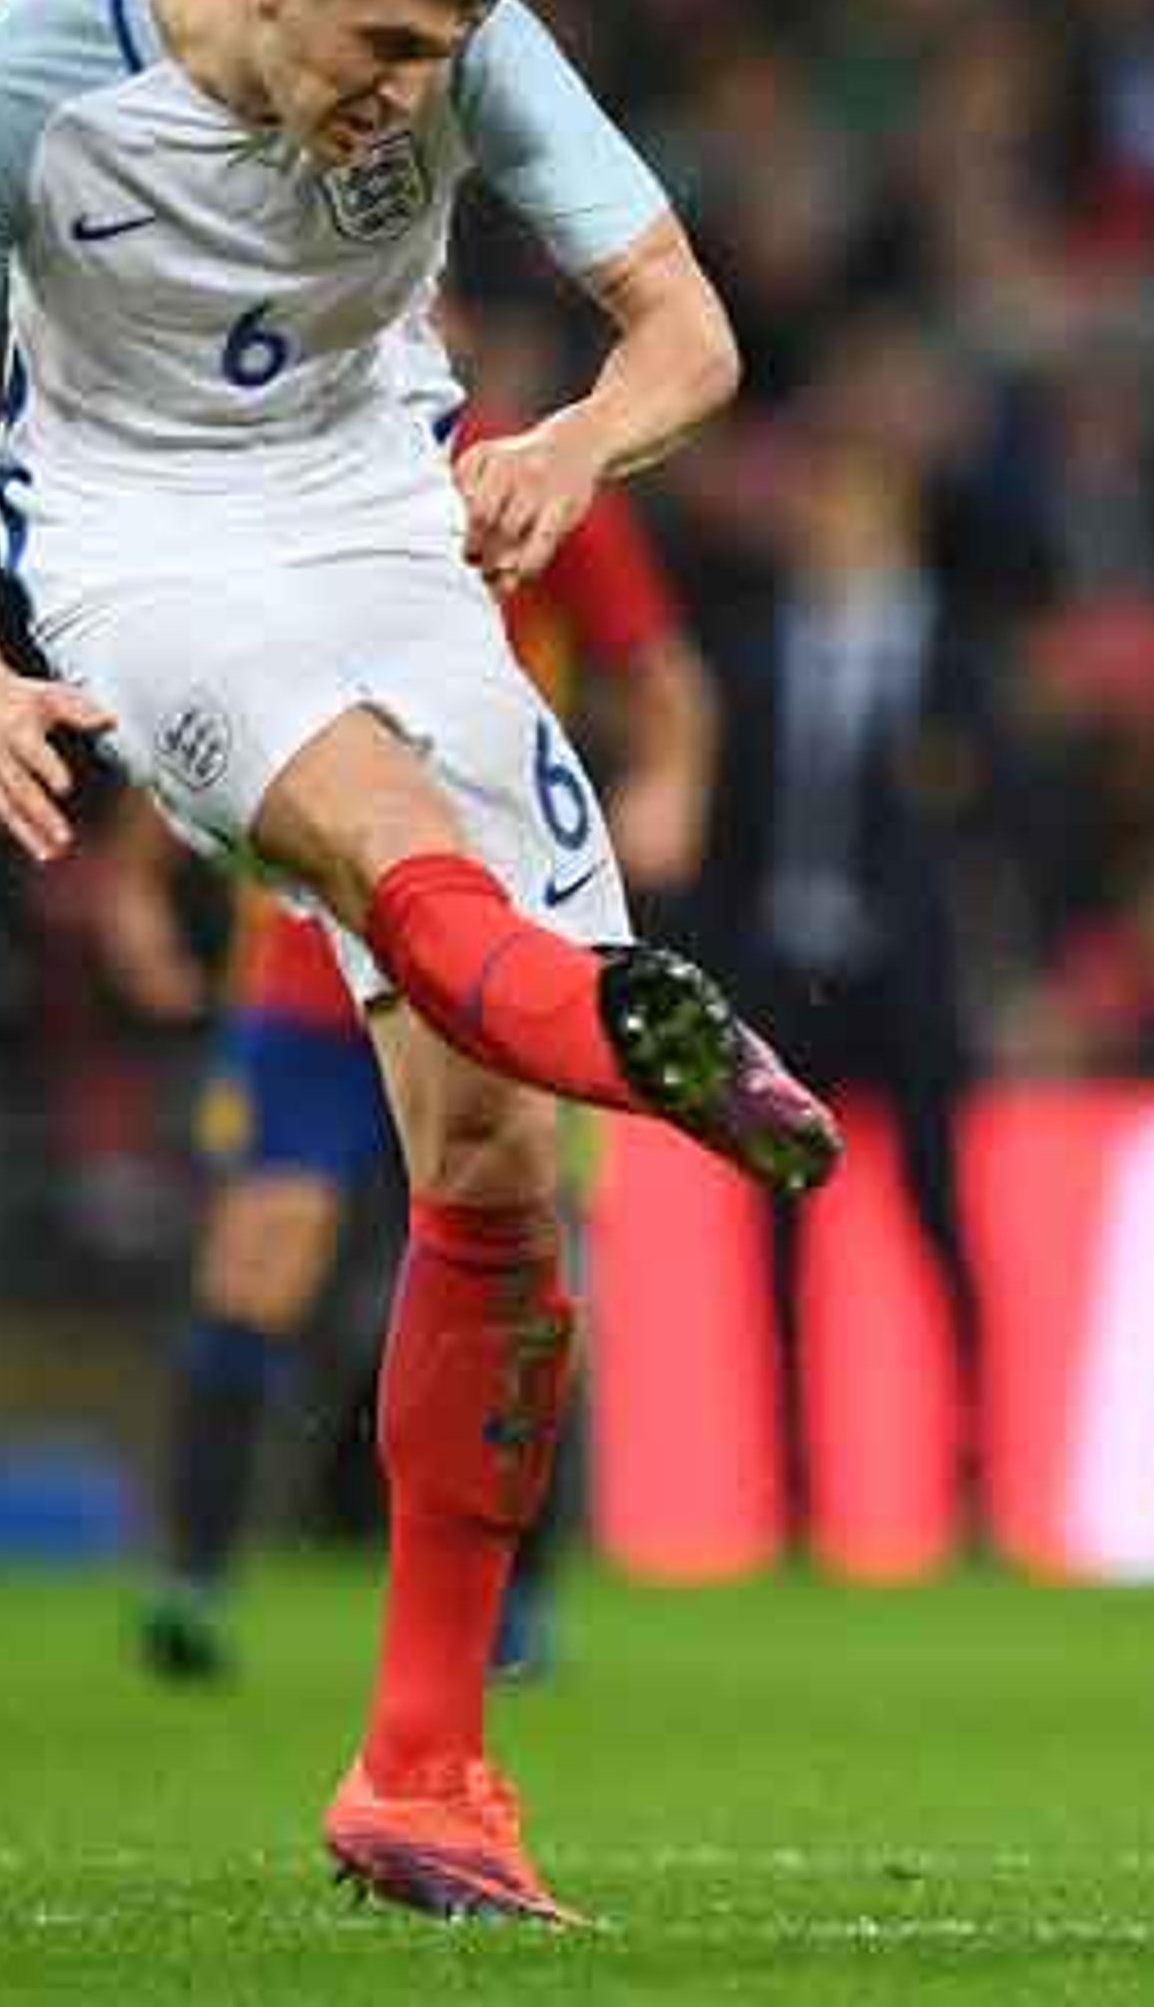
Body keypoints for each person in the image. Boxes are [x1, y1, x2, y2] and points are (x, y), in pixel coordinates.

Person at [0, 0, 839, 1926]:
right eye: (378, 48)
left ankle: (423, 1774)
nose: (407, 92)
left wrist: (572, 439)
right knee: (386, 829)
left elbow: (693, 332)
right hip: (139, 548)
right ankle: (637, 1034)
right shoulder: (23, 67)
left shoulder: (475, 47)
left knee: (486, 1181)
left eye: (438, 55)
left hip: (389, 509)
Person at [106, 398, 717, 1686]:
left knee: (521, 1259)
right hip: (308, 959)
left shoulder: (518, 467)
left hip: (503, 940)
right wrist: (132, 877)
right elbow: (188, 694)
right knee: (265, 1254)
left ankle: (520, 1597)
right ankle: (194, 1578)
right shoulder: (253, 462)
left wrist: (671, 783)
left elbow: (662, 674)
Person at [690, 437, 998, 1547]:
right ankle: (792, 1494)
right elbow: (722, 829)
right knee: (776, 1239)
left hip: (908, 979)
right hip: (785, 972)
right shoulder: (753, 656)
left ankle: (975, 1476)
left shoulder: (949, 653)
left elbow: (998, 805)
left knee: (938, 1218)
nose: (833, 528)